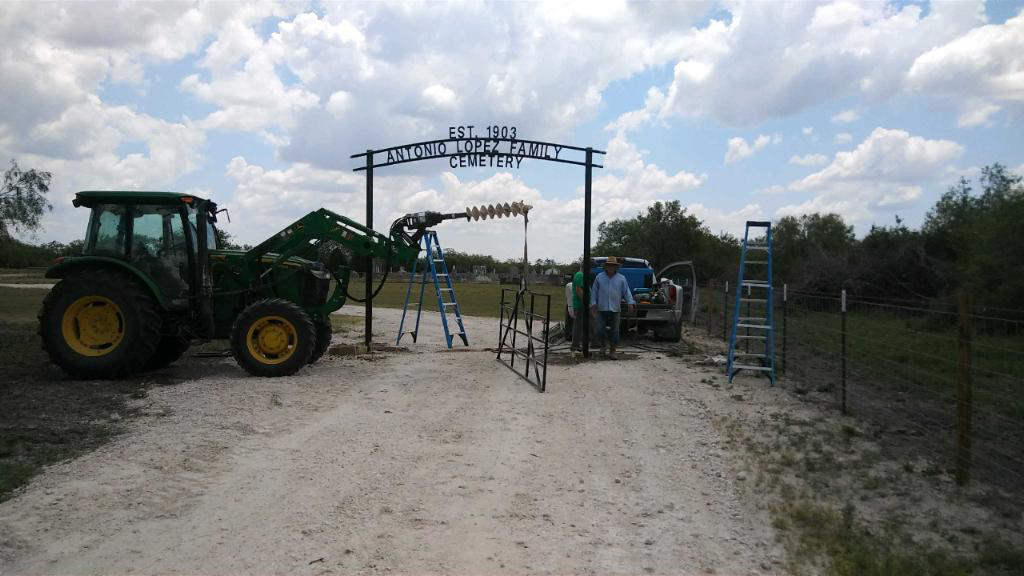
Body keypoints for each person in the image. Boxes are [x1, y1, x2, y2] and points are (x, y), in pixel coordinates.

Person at [590, 256, 635, 359]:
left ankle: (613, 350)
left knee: (615, 331)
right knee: (599, 330)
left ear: (616, 267)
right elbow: (594, 291)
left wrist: (630, 302)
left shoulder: (621, 278)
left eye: (613, 266)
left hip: (615, 309)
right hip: (601, 308)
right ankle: (603, 345)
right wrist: (593, 304)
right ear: (605, 267)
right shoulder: (599, 277)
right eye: (609, 265)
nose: (610, 267)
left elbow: (626, 292)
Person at [570, 267, 585, 351]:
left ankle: (577, 344)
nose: (591, 270)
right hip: (580, 304)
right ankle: (575, 345)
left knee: (580, 325)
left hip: (580, 304)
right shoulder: (580, 275)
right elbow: (578, 290)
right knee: (578, 325)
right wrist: (585, 301)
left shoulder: (580, 275)